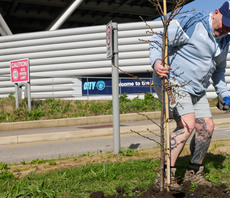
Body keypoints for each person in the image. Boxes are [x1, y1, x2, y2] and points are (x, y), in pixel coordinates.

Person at [149, 1, 230, 190]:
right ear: (216, 12)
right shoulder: (193, 22)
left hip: (196, 89)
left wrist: (225, 95)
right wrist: (157, 63)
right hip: (174, 82)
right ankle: (165, 176)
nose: (225, 28)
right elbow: (158, 39)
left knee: (207, 126)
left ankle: (193, 172)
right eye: (225, 22)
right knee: (187, 124)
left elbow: (218, 72)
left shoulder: (225, 39)